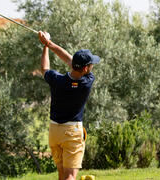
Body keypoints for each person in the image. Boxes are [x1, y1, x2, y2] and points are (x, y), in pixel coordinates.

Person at [38, 31, 100, 180]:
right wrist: (49, 43)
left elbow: (44, 69)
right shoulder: (87, 81)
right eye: (91, 64)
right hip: (72, 132)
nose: (92, 66)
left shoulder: (57, 80)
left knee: (62, 175)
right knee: (70, 177)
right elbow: (69, 60)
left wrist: (46, 45)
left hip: (54, 131)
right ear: (85, 69)